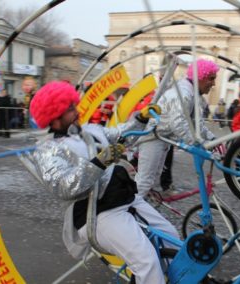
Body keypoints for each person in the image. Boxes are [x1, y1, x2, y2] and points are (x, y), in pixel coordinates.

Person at [29, 81, 179, 284]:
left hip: (125, 199)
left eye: (74, 105)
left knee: (171, 237)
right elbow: (63, 186)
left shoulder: (91, 131)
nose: (76, 111)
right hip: (97, 214)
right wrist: (99, 162)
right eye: (70, 109)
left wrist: (141, 119)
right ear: (54, 118)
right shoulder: (47, 150)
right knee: (147, 262)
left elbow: (122, 136)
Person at [135, 59, 219, 197]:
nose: (214, 83)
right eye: (211, 78)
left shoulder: (193, 94)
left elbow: (197, 123)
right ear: (200, 77)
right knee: (144, 182)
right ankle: (128, 212)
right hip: (152, 138)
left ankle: (140, 208)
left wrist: (212, 139)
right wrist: (200, 143)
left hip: (162, 139)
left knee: (152, 179)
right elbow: (178, 123)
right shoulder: (183, 94)